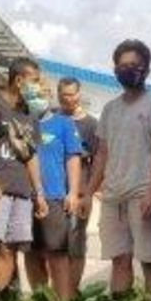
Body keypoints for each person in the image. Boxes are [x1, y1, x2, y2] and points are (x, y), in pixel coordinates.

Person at [88, 39, 151, 295]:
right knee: (119, 260)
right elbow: (102, 153)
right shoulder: (109, 109)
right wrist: (88, 192)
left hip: (142, 194)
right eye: (122, 65)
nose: (128, 69)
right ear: (115, 70)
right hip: (113, 197)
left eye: (134, 65)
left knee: (147, 259)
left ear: (146, 70)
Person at [0, 57, 47, 291]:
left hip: (23, 194)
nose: (37, 87)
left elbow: (31, 157)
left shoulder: (30, 114)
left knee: (14, 249)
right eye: (34, 81)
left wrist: (39, 193)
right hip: (1, 192)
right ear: (19, 80)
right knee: (3, 249)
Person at [26, 79, 82, 301]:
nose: (35, 101)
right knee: (32, 254)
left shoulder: (64, 123)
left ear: (49, 95)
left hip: (55, 197)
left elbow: (73, 158)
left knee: (57, 255)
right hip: (26, 198)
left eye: (39, 96)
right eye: (30, 97)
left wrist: (73, 192)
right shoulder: (22, 123)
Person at [56, 78, 100, 289]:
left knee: (76, 244)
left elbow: (100, 160)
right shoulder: (51, 120)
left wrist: (89, 194)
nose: (69, 99)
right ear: (58, 95)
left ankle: (72, 293)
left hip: (80, 194)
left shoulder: (91, 125)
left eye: (73, 94)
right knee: (54, 247)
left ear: (79, 94)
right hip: (53, 192)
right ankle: (57, 292)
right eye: (65, 95)